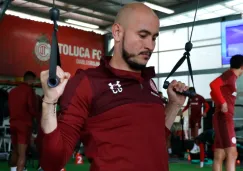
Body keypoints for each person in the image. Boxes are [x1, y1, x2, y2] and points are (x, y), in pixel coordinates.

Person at [38, 3, 189, 171]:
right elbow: (52, 162)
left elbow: (155, 137)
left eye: (154, 38)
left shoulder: (148, 82)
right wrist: (49, 102)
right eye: (143, 35)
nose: (150, 46)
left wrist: (174, 105)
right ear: (117, 32)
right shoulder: (88, 82)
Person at [210, 54, 243, 171]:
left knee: (220, 154)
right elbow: (213, 85)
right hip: (224, 118)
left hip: (221, 118)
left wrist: (220, 102)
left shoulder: (231, 77)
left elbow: (212, 93)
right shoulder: (230, 75)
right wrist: (223, 102)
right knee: (232, 154)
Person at [8, 71, 37, 171]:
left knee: (15, 151)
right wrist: (38, 117)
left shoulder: (12, 91)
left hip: (12, 124)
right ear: (31, 80)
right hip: (24, 125)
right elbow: (32, 108)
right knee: (22, 154)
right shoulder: (29, 91)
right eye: (34, 80)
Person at [182, 88, 210, 153]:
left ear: (193, 92)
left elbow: (207, 106)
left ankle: (197, 147)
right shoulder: (190, 98)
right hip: (191, 117)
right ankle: (194, 147)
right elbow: (187, 106)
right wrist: (182, 111)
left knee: (196, 133)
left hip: (198, 117)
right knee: (192, 134)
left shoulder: (200, 97)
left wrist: (205, 112)